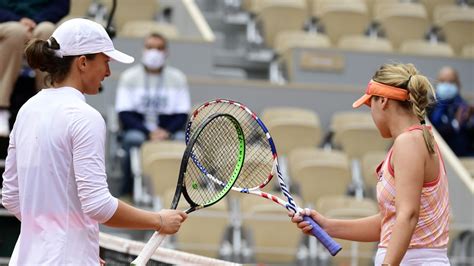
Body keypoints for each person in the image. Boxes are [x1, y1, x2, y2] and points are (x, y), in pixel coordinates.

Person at [1, 18, 187, 265]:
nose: (108, 72)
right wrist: (159, 220)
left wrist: (78, 247)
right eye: (106, 62)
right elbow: (98, 205)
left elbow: (11, 198)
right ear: (83, 62)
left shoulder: (26, 110)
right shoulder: (86, 118)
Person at [290, 63, 450, 265]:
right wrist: (327, 226)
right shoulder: (418, 139)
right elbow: (389, 222)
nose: (371, 114)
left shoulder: (408, 142)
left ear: (382, 101)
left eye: (370, 105)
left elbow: (408, 216)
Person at [115, 32, 191, 197]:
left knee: (180, 140)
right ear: (143, 50)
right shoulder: (129, 77)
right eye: (150, 48)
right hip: (139, 129)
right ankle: (128, 188)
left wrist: (165, 132)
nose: (154, 53)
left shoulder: (178, 78)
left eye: (159, 48)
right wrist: (148, 132)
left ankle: (176, 190)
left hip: (168, 129)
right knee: (133, 139)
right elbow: (124, 113)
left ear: (167, 52)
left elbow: (182, 114)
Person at [0, 0, 70, 137]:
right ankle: (1, 108)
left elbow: (62, 5)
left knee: (48, 30)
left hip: (40, 23)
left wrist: (35, 22)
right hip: (7, 23)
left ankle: (49, 107)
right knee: (16, 32)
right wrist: (18, 20)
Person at [429, 66, 474, 157]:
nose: (446, 85)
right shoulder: (429, 107)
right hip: (438, 160)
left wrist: (470, 121)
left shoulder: (464, 107)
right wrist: (456, 123)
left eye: (451, 81)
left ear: (458, 84)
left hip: (464, 160)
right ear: (436, 84)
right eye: (442, 81)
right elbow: (432, 134)